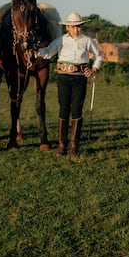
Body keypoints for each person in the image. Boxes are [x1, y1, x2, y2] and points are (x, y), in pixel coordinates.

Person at [37, 11, 103, 157]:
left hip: (79, 78)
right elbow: (48, 52)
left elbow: (99, 54)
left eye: (79, 26)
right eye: (73, 27)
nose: (76, 29)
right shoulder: (60, 40)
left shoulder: (87, 41)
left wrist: (93, 69)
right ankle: (62, 145)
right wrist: (35, 51)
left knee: (77, 109)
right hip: (63, 78)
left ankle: (74, 145)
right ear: (67, 27)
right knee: (63, 108)